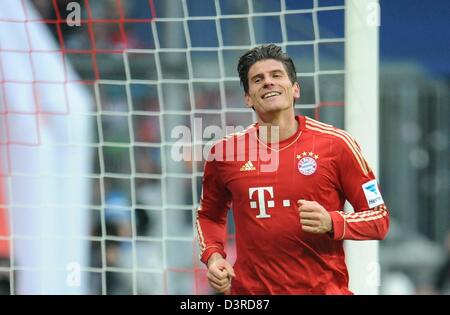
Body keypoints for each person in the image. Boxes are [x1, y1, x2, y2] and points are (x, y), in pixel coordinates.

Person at [196, 44, 390, 294]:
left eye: (276, 75)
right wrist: (214, 257)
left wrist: (332, 221)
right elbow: (209, 215)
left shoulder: (336, 144)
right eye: (257, 79)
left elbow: (379, 218)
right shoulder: (225, 153)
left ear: (295, 89)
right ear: (248, 98)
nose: (267, 82)